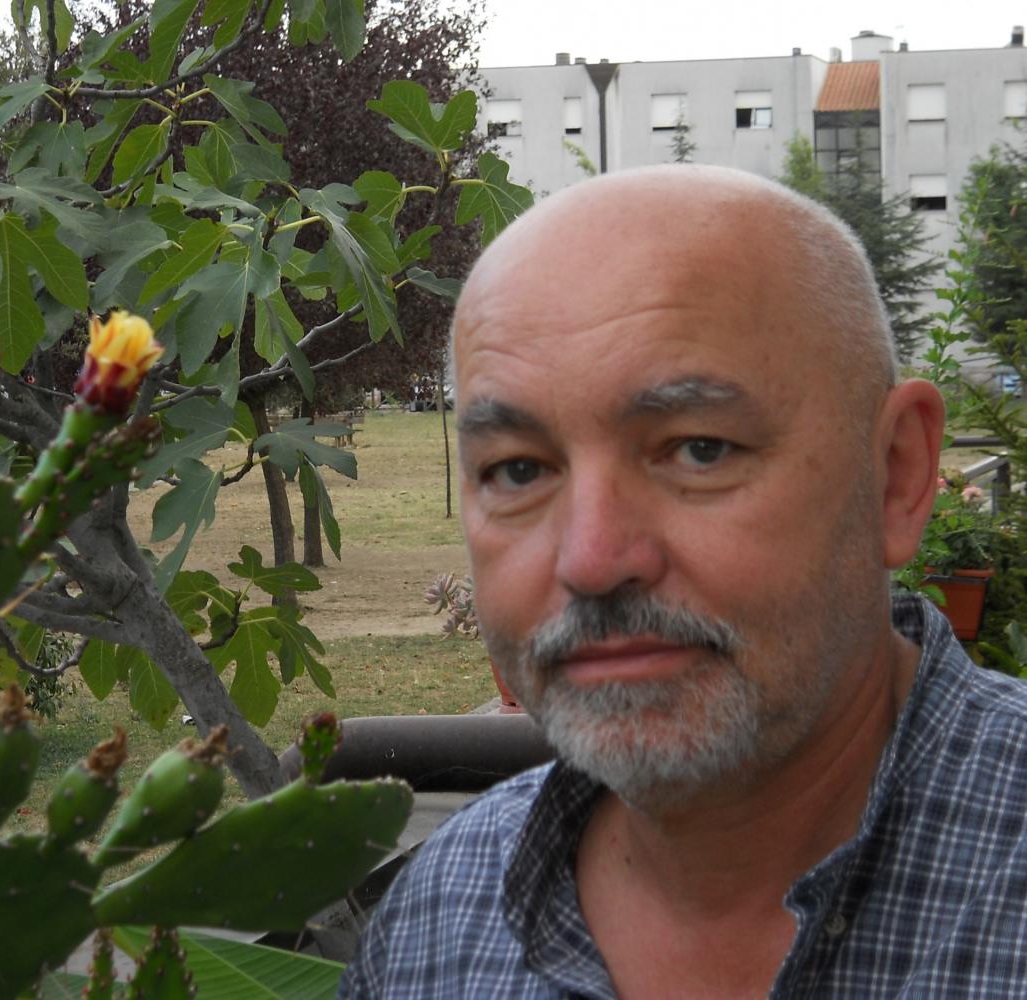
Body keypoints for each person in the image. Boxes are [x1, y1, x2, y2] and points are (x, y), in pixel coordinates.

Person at [339, 165, 1027, 998]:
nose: (591, 560)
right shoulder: (435, 922)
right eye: (517, 469)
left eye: (700, 450)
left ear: (894, 474)